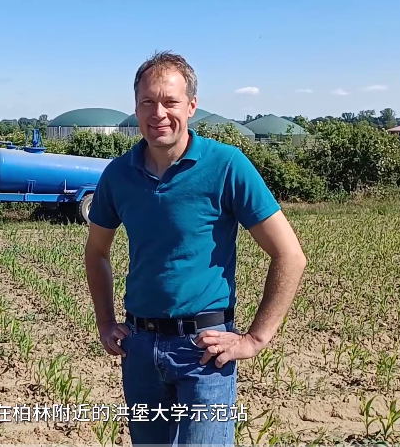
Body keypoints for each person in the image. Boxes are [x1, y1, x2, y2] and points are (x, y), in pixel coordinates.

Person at [84, 51, 307, 446]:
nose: (159, 113)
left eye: (170, 102)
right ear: (135, 109)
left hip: (205, 351)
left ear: (191, 106)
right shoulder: (118, 173)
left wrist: (255, 339)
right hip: (140, 348)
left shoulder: (226, 165)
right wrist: (105, 321)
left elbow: (289, 254)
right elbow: (97, 251)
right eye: (147, 102)